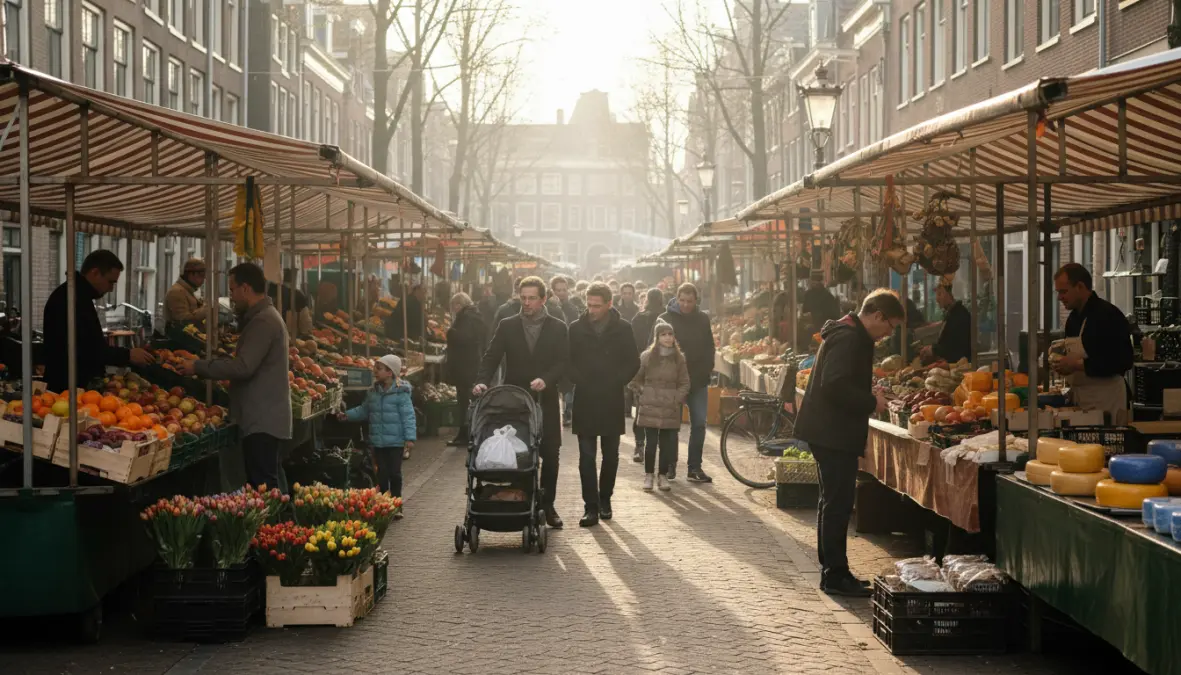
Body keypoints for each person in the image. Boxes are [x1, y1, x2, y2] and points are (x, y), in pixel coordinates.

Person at [794, 289, 904, 597]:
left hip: (830, 432)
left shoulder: (848, 333)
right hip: (833, 434)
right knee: (838, 504)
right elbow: (834, 383)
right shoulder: (849, 337)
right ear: (878, 315)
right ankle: (835, 574)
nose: (888, 334)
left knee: (832, 502)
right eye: (890, 325)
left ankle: (832, 569)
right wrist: (870, 401)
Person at [179, 263, 292, 489]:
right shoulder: (264, 317)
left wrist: (199, 367)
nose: (231, 296)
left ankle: (271, 523)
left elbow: (243, 367)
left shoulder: (263, 321)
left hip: (262, 419)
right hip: (263, 415)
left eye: (232, 290)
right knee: (265, 482)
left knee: (263, 485)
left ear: (245, 289)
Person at [474, 276, 569, 528]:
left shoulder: (558, 327)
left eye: (531, 298)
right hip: (515, 400)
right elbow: (492, 355)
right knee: (520, 452)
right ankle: (520, 502)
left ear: (543, 299)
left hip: (545, 397)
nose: (526, 303)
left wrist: (546, 379)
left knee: (550, 453)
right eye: (523, 298)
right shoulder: (508, 325)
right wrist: (483, 381)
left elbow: (563, 361)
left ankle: (548, 506)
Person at [567, 282, 640, 527]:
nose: (592, 310)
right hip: (586, 397)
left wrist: (618, 380)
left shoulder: (623, 328)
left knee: (611, 455)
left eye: (597, 306)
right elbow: (567, 359)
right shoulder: (576, 329)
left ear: (609, 304)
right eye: (588, 305)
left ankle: (605, 498)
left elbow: (633, 361)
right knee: (586, 457)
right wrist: (578, 378)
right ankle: (591, 506)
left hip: (610, 397)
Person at [43, 250, 154, 393]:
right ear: (95, 273)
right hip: (68, 389)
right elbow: (82, 348)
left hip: (76, 386)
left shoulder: (78, 296)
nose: (111, 289)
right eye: (110, 282)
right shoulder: (70, 299)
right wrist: (127, 355)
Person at [1053, 263, 1134, 415]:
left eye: (1063, 291)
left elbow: (1124, 360)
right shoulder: (1073, 319)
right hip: (1082, 399)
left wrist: (1077, 364)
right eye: (1058, 292)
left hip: (1108, 400)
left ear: (1080, 287)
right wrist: (1064, 366)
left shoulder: (1108, 315)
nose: (1059, 297)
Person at [338, 354, 415, 508]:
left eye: (379, 368)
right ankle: (384, 504)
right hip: (378, 442)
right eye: (375, 368)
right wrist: (347, 415)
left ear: (390, 372)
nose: (375, 371)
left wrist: (409, 438)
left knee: (394, 473)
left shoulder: (401, 393)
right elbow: (364, 410)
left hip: (395, 442)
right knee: (382, 474)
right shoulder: (373, 392)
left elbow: (409, 416)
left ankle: (396, 503)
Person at [658, 283, 715, 483]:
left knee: (699, 423)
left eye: (689, 301)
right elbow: (656, 349)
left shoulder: (702, 319)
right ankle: (670, 464)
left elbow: (709, 346)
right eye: (682, 300)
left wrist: (706, 369)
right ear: (677, 298)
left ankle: (694, 467)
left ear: (695, 300)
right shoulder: (665, 319)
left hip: (698, 380)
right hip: (673, 381)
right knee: (671, 425)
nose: (685, 305)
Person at [629, 320, 690, 492]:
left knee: (666, 443)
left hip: (669, 406)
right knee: (651, 442)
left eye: (670, 334)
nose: (667, 338)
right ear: (657, 337)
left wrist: (676, 398)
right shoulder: (647, 356)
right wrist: (644, 392)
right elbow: (635, 379)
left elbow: (685, 382)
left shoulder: (679, 358)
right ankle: (648, 474)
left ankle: (662, 475)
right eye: (663, 334)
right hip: (650, 405)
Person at [629, 287, 666, 462]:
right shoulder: (666, 319)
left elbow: (632, 344)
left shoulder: (638, 318)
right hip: (662, 369)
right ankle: (658, 445)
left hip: (642, 368)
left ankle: (639, 444)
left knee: (641, 409)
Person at [445, 292, 486, 447]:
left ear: (459, 305)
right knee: (467, 400)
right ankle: (468, 433)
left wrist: (451, 333)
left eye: (454, 305)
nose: (453, 309)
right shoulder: (473, 316)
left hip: (465, 365)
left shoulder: (467, 318)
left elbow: (466, 338)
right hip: (470, 364)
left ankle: (466, 434)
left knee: (465, 401)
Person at [921, 284, 971, 364]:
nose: (937, 299)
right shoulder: (951, 313)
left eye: (940, 294)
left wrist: (933, 349)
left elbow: (954, 347)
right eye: (936, 294)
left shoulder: (959, 315)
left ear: (950, 294)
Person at [163, 258, 211, 332]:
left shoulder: (186, 291)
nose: (203, 279)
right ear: (191, 274)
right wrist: (204, 310)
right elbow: (182, 321)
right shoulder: (176, 292)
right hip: (180, 341)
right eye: (201, 275)